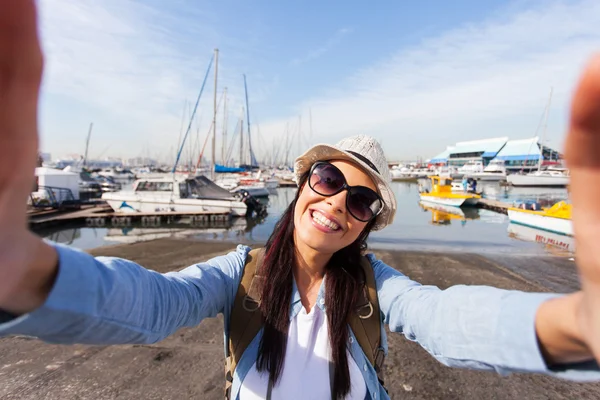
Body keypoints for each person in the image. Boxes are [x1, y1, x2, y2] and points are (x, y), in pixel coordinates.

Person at [2, 2, 600, 399]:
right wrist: (34, 278)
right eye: (329, 181)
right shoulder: (240, 274)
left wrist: (572, 327)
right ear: (302, 185)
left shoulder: (373, 287)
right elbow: (159, 303)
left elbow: (443, 318)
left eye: (362, 201)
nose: (339, 203)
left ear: (366, 225)